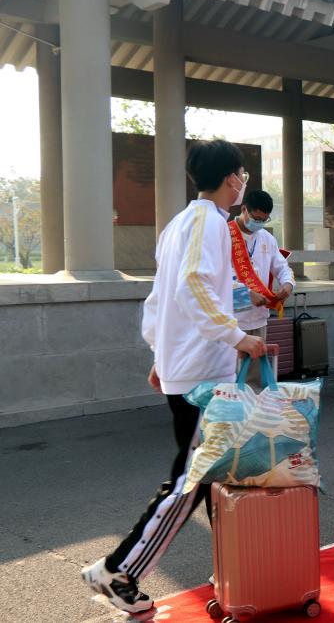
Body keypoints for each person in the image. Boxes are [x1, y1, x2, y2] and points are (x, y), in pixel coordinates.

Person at [81, 140, 267, 616]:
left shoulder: (179, 224)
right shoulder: (210, 223)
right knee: (192, 479)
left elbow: (159, 299)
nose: (243, 183)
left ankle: (234, 571)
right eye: (242, 175)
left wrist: (160, 355)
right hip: (204, 371)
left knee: (212, 476)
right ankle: (120, 570)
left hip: (187, 367)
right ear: (233, 178)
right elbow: (194, 287)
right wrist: (237, 336)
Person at [230, 190, 295, 387]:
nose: (259, 223)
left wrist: (287, 284)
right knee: (230, 378)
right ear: (244, 209)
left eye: (264, 220)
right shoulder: (224, 234)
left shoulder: (266, 238)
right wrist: (246, 293)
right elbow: (217, 278)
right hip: (231, 320)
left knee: (255, 377)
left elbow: (282, 267)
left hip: (259, 318)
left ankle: (255, 405)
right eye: (256, 218)